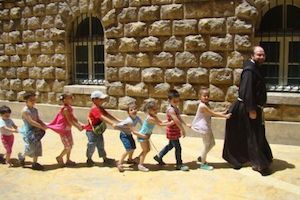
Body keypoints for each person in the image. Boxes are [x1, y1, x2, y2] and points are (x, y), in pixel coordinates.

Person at [222, 46, 273, 176]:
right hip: (248, 108)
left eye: (263, 55)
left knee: (250, 135)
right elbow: (247, 91)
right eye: (258, 55)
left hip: (251, 107)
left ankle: (245, 159)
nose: (261, 57)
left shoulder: (254, 68)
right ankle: (260, 164)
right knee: (254, 136)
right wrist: (251, 109)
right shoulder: (249, 70)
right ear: (252, 56)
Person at [189, 87, 231, 170]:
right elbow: (212, 113)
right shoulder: (202, 106)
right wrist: (224, 116)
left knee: (212, 144)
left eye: (207, 96)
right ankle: (203, 164)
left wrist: (223, 112)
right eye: (204, 96)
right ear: (200, 96)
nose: (206, 97)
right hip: (203, 128)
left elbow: (212, 113)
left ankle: (201, 157)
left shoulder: (206, 105)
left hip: (207, 127)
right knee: (206, 145)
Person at [130, 100, 172, 172]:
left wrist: (168, 120)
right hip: (142, 136)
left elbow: (161, 122)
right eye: (154, 109)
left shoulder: (154, 116)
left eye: (156, 109)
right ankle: (140, 165)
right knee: (145, 150)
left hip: (146, 136)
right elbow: (160, 125)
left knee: (147, 150)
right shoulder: (150, 118)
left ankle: (137, 159)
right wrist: (170, 123)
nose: (156, 111)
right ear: (149, 110)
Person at [153, 89, 189, 171]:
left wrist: (185, 124)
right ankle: (179, 164)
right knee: (178, 148)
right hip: (172, 132)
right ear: (169, 100)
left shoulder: (175, 108)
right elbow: (176, 120)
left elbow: (179, 117)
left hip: (175, 131)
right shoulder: (171, 110)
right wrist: (182, 130)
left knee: (170, 145)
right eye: (174, 101)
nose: (177, 103)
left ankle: (159, 156)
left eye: (178, 101)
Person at [47, 93, 84, 167]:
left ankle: (68, 160)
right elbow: (70, 120)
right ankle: (59, 157)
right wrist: (78, 127)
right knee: (68, 146)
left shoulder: (69, 108)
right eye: (70, 98)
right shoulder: (66, 109)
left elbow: (73, 118)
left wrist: (80, 124)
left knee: (70, 145)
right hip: (63, 130)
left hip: (68, 130)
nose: (72, 99)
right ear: (65, 100)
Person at [84, 90, 119, 167]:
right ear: (94, 100)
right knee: (91, 145)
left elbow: (107, 114)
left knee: (101, 144)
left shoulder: (99, 108)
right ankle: (89, 159)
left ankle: (104, 158)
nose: (103, 101)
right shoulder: (94, 109)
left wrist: (118, 121)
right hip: (91, 131)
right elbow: (102, 117)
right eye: (101, 99)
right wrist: (112, 123)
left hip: (98, 130)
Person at [18, 92, 47, 170]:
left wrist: (43, 124)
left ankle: (34, 163)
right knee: (30, 148)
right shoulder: (25, 111)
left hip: (36, 132)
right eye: (31, 100)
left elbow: (37, 119)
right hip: (28, 132)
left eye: (34, 100)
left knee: (37, 146)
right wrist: (41, 126)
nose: (33, 101)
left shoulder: (35, 110)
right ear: (26, 101)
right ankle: (22, 157)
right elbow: (31, 122)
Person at [115, 102, 145, 172]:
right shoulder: (129, 120)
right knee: (128, 149)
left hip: (129, 134)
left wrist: (144, 130)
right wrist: (116, 125)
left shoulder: (137, 118)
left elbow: (142, 125)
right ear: (128, 113)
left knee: (133, 147)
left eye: (135, 109)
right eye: (131, 110)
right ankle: (119, 163)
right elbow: (119, 125)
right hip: (124, 135)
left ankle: (130, 159)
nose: (133, 111)